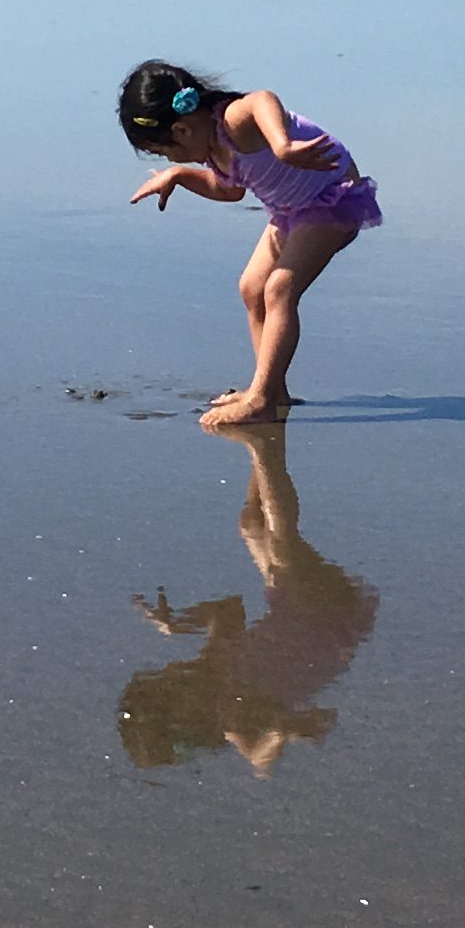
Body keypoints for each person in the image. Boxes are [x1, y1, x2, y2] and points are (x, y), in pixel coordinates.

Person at [118, 57, 381, 430]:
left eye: (165, 153)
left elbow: (262, 99)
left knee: (279, 289)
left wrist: (283, 144)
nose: (168, 158)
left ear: (181, 130)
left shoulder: (231, 121)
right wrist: (178, 175)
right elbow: (229, 192)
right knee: (252, 288)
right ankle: (273, 390)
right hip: (291, 209)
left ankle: (261, 401)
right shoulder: (213, 150)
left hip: (332, 197)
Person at [118, 420, 379, 774]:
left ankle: (267, 434)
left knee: (251, 524)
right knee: (282, 540)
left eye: (168, 682)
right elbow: (258, 760)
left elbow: (229, 610)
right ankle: (262, 446)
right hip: (327, 619)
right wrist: (281, 730)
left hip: (294, 607)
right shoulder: (233, 714)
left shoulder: (214, 667)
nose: (173, 674)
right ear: (189, 719)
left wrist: (184, 622)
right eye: (173, 691)